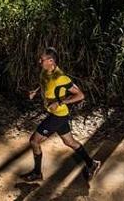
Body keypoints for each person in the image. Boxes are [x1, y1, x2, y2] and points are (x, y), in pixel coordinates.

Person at [20, 47, 100, 182]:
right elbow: (45, 84)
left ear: (51, 61)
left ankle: (37, 173)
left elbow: (80, 95)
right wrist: (35, 91)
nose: (39, 61)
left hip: (58, 116)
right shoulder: (45, 72)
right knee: (69, 142)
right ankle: (92, 164)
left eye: (42, 59)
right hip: (57, 115)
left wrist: (60, 102)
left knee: (34, 141)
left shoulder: (61, 77)